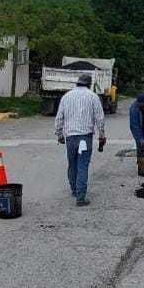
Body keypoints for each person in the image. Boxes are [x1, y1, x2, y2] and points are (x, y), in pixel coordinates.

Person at [55, 73, 107, 207]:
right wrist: (101, 135)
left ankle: (74, 190)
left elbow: (59, 117)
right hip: (85, 138)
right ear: (89, 84)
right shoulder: (93, 97)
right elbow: (100, 118)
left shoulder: (66, 96)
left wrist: (59, 134)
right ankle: (81, 197)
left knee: (72, 165)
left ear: (77, 83)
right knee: (82, 165)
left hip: (71, 138)